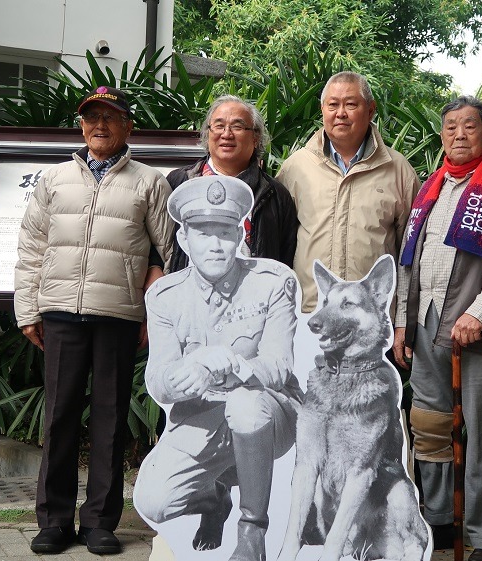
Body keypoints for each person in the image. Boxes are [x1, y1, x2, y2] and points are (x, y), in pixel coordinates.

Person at [14, 86, 173, 555]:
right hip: (60, 311)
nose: (99, 125)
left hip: (119, 316)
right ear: (81, 125)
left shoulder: (150, 182)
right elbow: (30, 249)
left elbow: (168, 251)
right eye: (91, 117)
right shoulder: (55, 179)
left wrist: (154, 313)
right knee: (59, 416)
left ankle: (101, 522)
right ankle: (54, 521)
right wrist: (28, 309)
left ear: (129, 126)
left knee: (109, 418)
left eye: (110, 117)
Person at [393, 96, 482, 561]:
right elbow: (408, 259)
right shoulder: (428, 189)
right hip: (425, 319)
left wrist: (480, 312)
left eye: (469, 126)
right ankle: (437, 519)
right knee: (430, 427)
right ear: (441, 137)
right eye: (450, 127)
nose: (459, 134)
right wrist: (401, 323)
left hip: (481, 327)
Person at [134, 176, 301, 561]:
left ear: (240, 236)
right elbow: (158, 381)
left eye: (225, 232)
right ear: (183, 240)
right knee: (155, 501)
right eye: (202, 233)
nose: (215, 245)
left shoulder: (272, 282)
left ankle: (252, 531)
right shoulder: (164, 296)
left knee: (244, 405)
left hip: (268, 412)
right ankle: (214, 501)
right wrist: (190, 368)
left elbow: (278, 366)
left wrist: (229, 368)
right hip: (204, 416)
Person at [277, 71, 420, 311]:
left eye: (351, 104)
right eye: (333, 104)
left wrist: (403, 317)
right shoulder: (296, 167)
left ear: (371, 110)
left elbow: (411, 251)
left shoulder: (398, 170)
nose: (340, 113)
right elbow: (280, 240)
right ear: (322, 109)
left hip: (373, 317)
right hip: (309, 314)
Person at [165, 95, 298, 270]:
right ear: (208, 133)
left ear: (255, 137)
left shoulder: (276, 195)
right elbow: (161, 246)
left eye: (237, 127)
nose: (227, 134)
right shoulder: (178, 183)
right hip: (189, 294)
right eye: (219, 126)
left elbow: (285, 260)